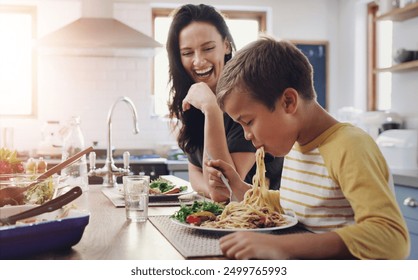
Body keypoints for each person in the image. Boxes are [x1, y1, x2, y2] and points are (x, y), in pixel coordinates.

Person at [207, 36, 410, 259]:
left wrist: (284, 246)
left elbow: (391, 237)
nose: (247, 135)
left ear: (288, 102)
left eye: (249, 121)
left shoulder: (350, 146)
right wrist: (237, 185)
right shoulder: (296, 145)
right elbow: (292, 205)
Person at [166, 4, 283, 202]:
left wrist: (212, 109)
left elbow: (225, 189)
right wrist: (211, 189)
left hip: (262, 220)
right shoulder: (194, 101)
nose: (199, 61)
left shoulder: (247, 99)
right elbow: (195, 177)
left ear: (226, 46)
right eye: (187, 53)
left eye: (208, 48)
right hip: (226, 221)